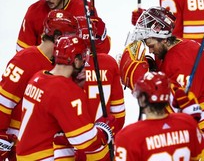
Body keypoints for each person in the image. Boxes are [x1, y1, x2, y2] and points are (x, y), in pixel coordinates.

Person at [121, 7, 204, 147]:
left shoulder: (183, 60)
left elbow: (173, 110)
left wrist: (140, 78)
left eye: (150, 44)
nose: (149, 50)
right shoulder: (169, 49)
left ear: (164, 39)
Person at [16, 36, 114, 160]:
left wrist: (74, 87)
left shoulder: (38, 77)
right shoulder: (65, 90)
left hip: (24, 155)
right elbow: (84, 142)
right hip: (44, 157)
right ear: (77, 60)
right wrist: (103, 131)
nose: (85, 64)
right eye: (83, 59)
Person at [0, 9, 80, 160]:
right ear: (57, 37)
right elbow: (3, 102)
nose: (71, 43)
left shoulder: (59, 64)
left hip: (42, 143)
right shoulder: (24, 59)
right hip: (19, 142)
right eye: (69, 37)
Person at [114, 71, 204, 160]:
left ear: (142, 99)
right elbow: (203, 154)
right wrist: (192, 119)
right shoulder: (187, 123)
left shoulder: (127, 136)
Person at [16, 0, 110, 54]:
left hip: (77, 67)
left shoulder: (84, 8)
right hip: (45, 68)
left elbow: (101, 52)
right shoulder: (34, 11)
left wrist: (99, 39)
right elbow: (23, 52)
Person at [71, 16, 126, 160]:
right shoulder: (109, 64)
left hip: (67, 150)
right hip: (101, 149)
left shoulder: (61, 67)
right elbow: (118, 117)